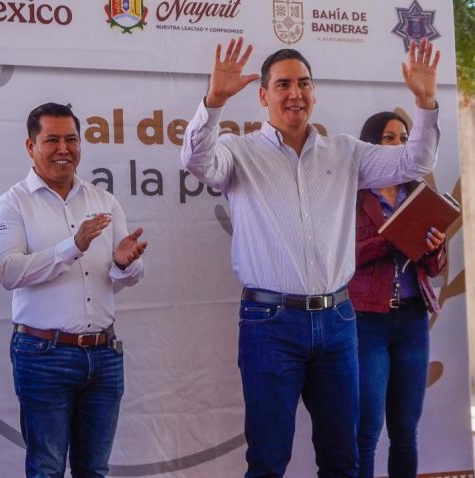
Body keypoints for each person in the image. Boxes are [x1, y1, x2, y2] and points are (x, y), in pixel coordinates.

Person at [181, 36, 441, 477]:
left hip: (338, 321)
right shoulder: (239, 153)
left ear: (314, 93)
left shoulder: (346, 152)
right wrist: (213, 102)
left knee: (342, 460)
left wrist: (426, 103)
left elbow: (415, 163)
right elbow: (196, 161)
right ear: (263, 95)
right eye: (282, 84)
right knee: (268, 460)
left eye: (303, 83)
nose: (295, 93)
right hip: (270, 324)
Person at [0, 102, 147, 478]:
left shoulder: (103, 200)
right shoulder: (12, 203)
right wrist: (72, 247)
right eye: (52, 140)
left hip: (104, 354)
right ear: (30, 146)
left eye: (71, 139)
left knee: (94, 469)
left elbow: (123, 277)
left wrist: (125, 263)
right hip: (43, 355)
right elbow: (9, 273)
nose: (64, 149)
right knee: (46, 469)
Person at [348, 111, 446, 478]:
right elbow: (341, 257)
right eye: (388, 138)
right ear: (370, 145)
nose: (398, 145)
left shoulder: (418, 193)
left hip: (413, 320)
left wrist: (434, 246)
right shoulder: (352, 194)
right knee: (367, 429)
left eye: (404, 138)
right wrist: (392, 236)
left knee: (406, 430)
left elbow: (434, 268)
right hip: (366, 321)